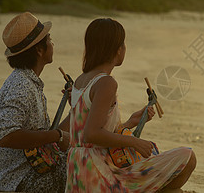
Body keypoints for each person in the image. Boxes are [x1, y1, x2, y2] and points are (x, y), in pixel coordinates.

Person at [66, 18, 196, 192]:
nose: (124, 48)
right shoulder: (106, 82)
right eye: (123, 44)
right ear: (116, 49)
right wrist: (133, 142)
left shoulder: (81, 80)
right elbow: (91, 134)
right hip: (100, 175)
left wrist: (129, 124)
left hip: (78, 174)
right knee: (188, 157)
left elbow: (86, 132)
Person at [0, 12, 70, 192]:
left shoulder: (28, 81)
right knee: (85, 166)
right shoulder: (21, 86)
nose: (52, 44)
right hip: (21, 180)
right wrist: (58, 135)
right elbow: (7, 137)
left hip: (34, 170)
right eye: (49, 40)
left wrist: (76, 110)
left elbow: (45, 138)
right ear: (39, 50)